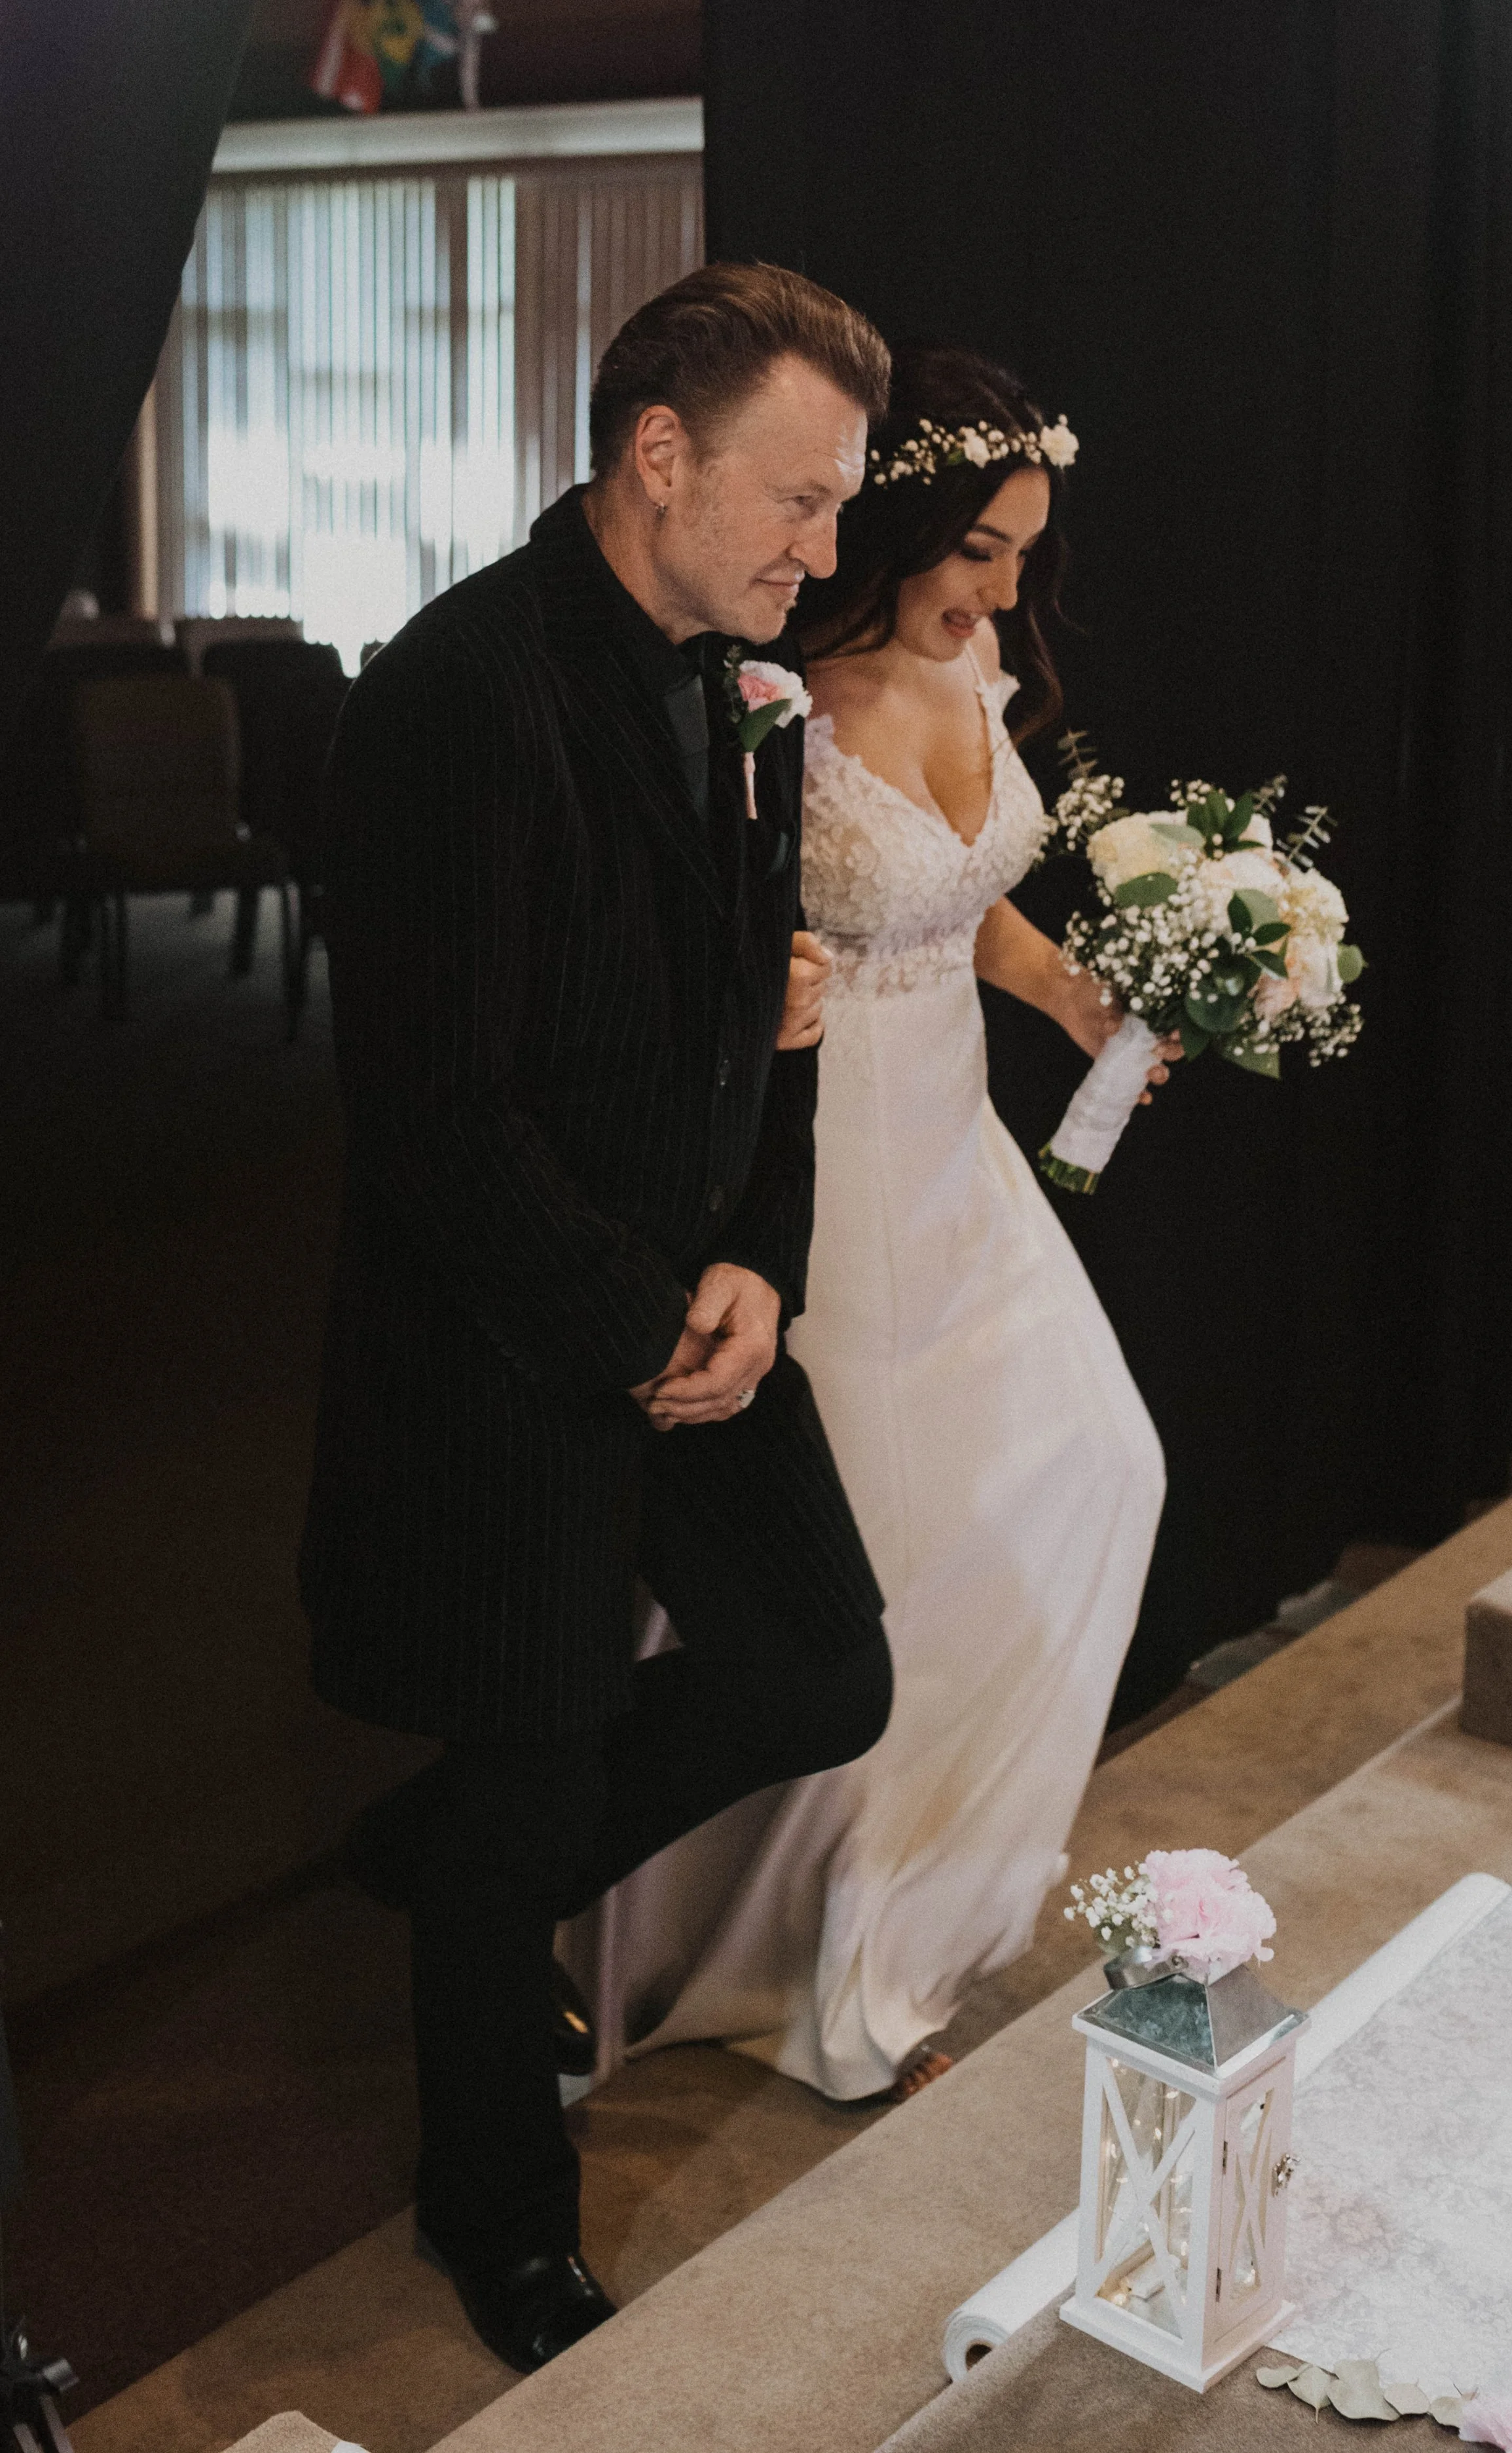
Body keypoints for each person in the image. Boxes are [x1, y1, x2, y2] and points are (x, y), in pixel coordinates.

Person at [300, 262, 894, 2370]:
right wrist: (646, 1316)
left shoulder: (741, 680)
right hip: (508, 1351)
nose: (824, 556)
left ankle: (458, 1851)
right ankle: (503, 2225)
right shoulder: (458, 689)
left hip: (695, 1307)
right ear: (660, 454)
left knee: (822, 1669)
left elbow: (774, 1022)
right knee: (528, 1767)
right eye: (800, 503)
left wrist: (761, 1264)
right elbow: (432, 1115)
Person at [576, 346, 1170, 2103]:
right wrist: (752, 982)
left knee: (1095, 1472)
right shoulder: (768, 697)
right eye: (976, 548)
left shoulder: (973, 660)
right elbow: (686, 934)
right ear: (895, 521)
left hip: (959, 1157)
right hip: (818, 1170)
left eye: (1021, 557)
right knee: (870, 1581)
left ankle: (902, 1927)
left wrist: (1069, 995)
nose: (1000, 591)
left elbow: (964, 898)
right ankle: (816, 1968)